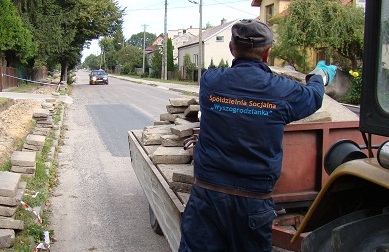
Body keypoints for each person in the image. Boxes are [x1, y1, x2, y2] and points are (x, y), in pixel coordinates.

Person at [178, 19, 337, 252]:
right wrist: (319, 76)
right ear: (267, 53)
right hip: (253, 202)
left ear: (232, 48)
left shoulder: (210, 82)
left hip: (207, 198)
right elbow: (313, 96)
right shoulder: (283, 91)